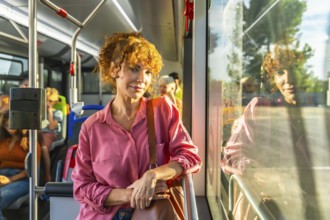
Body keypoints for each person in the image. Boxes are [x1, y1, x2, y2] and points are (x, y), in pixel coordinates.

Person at [71, 32, 201, 220]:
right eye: (134, 69)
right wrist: (131, 195)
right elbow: (82, 188)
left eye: (148, 72)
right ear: (114, 70)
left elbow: (190, 156)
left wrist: (153, 175)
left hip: (152, 214)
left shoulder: (162, 110)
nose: (142, 79)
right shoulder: (92, 127)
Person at [221, 45, 317, 219]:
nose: (288, 79)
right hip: (264, 209)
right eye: (280, 72)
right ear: (273, 78)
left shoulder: (317, 116)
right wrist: (267, 177)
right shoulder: (262, 108)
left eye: (294, 69)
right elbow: (232, 155)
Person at [0, 110, 40, 219]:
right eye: (5, 126)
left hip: (23, 178)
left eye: (11, 126)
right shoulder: (3, 141)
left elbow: (32, 169)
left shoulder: (30, 142)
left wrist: (11, 179)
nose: (9, 129)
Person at [40, 87, 63, 183]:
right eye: (47, 100)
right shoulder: (41, 112)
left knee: (44, 148)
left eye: (52, 101)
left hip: (50, 135)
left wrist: (49, 111)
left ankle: (47, 175)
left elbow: (52, 127)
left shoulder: (58, 113)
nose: (49, 103)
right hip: (40, 134)